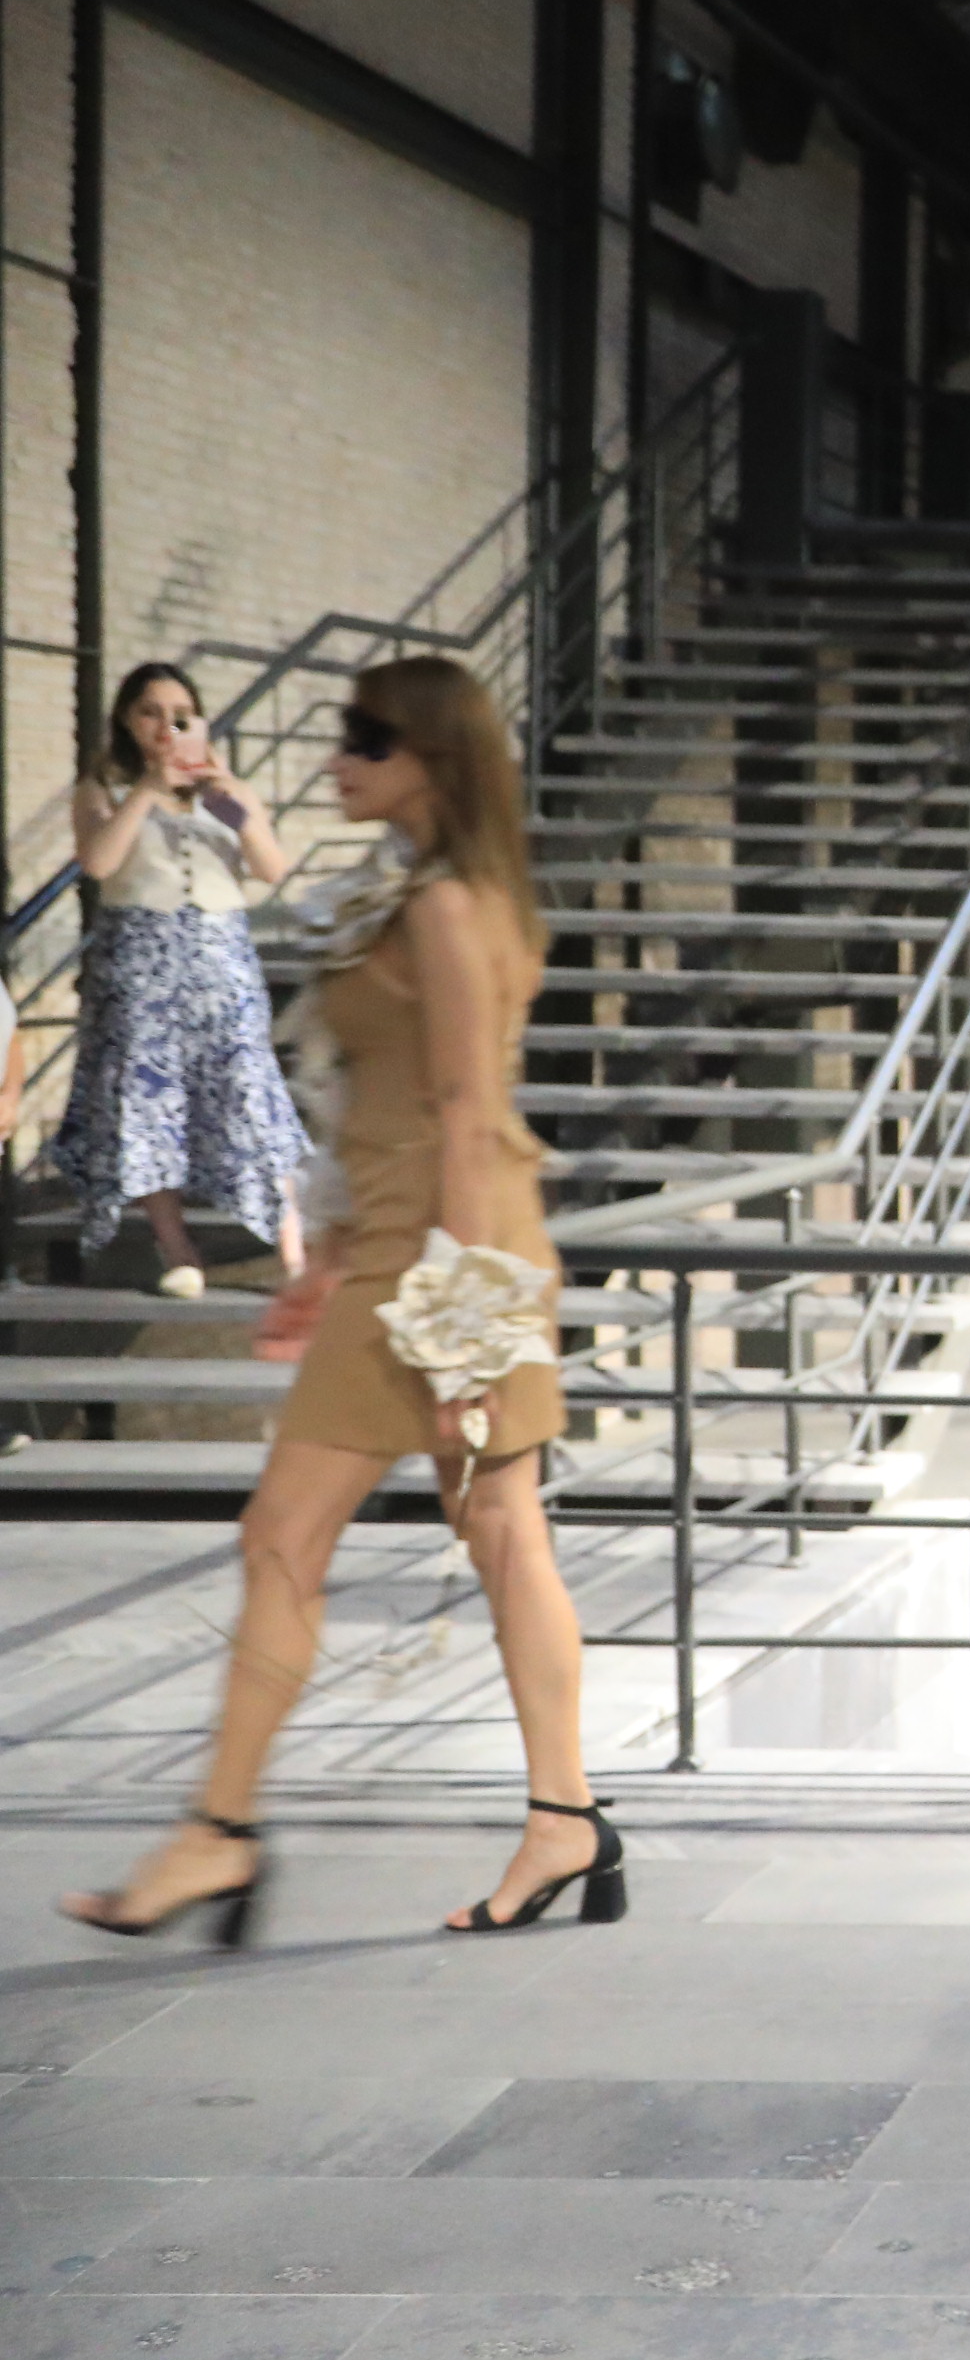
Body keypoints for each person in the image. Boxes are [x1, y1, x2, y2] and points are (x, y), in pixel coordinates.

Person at [61, 658, 599, 1947]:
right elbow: (384, 1103)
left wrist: (461, 1345)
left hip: (450, 1261)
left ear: (433, 758)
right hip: (414, 1253)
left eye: (366, 739)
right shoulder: (420, 891)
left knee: (312, 1534)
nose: (336, 758)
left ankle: (227, 1834)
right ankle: (560, 1820)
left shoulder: (452, 906)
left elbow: (464, 1121)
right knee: (478, 1534)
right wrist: (326, 1260)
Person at [52, 662, 308, 1295]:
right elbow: (99, 861)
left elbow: (271, 868)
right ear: (127, 721)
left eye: (181, 714)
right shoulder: (103, 788)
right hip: (139, 957)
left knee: (248, 1086)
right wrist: (147, 789)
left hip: (221, 955)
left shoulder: (228, 789)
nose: (166, 726)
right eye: (150, 712)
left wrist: (234, 805)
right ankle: (177, 1250)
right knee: (146, 1097)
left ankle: (294, 1249)